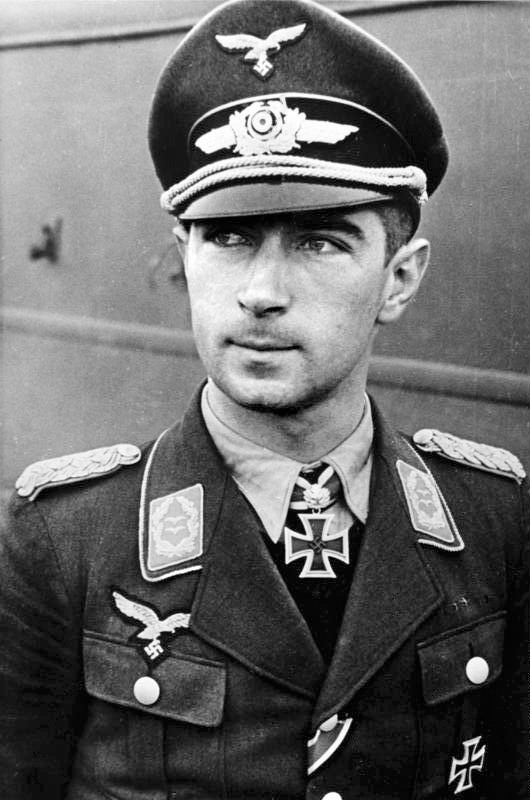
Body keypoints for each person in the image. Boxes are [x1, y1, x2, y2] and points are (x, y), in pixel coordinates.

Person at [0, 0, 527, 798]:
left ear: (400, 278)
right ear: (185, 256)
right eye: (229, 237)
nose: (261, 292)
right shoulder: (63, 540)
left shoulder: (495, 521)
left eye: (319, 240)